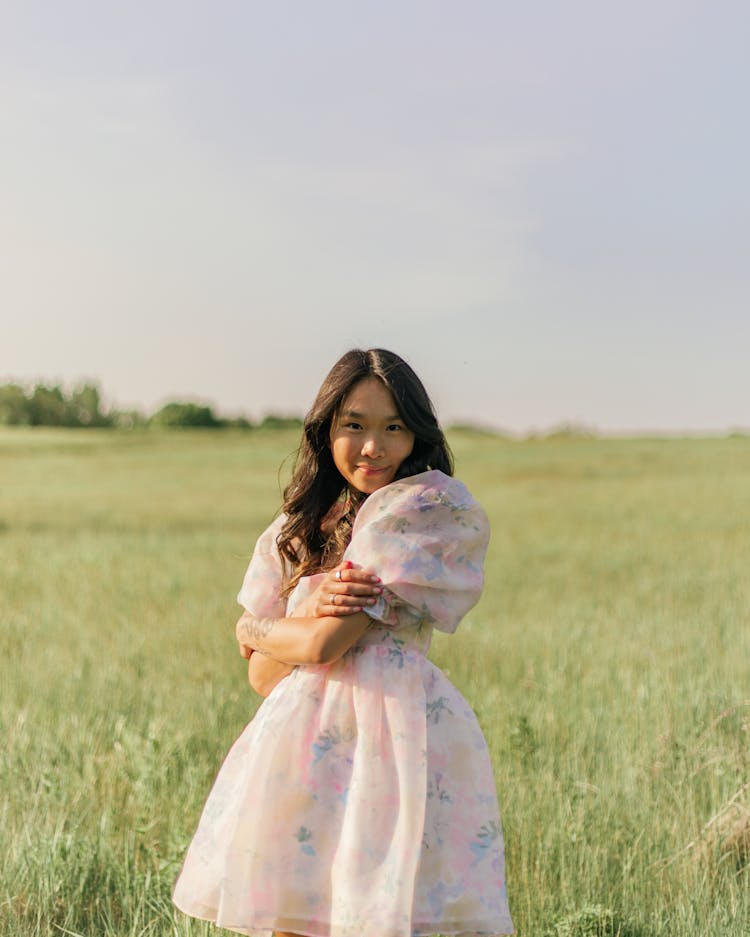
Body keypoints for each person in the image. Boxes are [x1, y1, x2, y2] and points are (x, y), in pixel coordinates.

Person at [173, 348, 514, 937]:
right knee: (292, 915)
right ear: (326, 427)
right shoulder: (294, 530)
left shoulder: (416, 514)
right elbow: (263, 677)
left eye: (393, 428)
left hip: (395, 739)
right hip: (302, 746)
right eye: (353, 425)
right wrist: (284, 621)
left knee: (380, 914)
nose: (372, 448)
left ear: (417, 436)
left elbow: (324, 646)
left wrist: (256, 631)